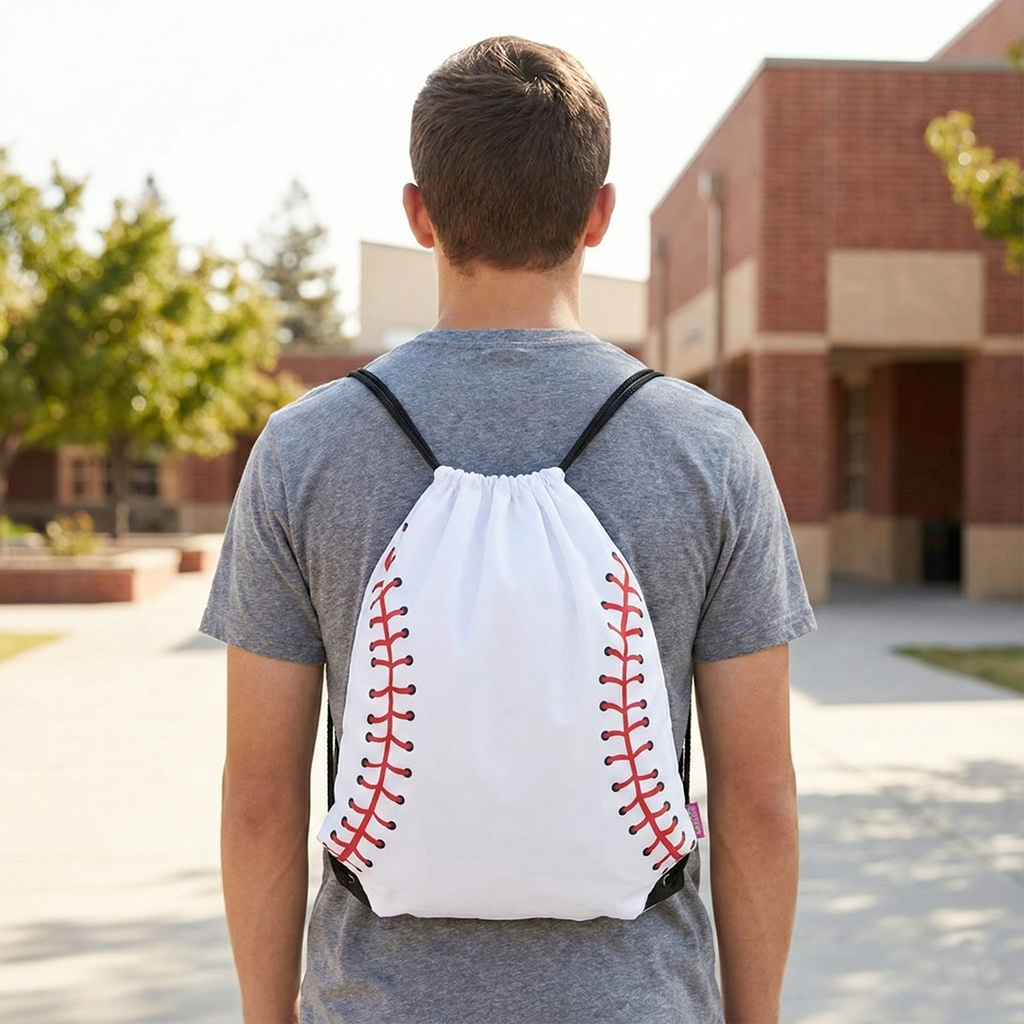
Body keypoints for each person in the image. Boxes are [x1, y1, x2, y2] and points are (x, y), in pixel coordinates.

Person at [202, 35, 814, 1024]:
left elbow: (260, 797)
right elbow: (757, 798)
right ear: (599, 214)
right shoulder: (710, 448)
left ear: (419, 215)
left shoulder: (302, 449)